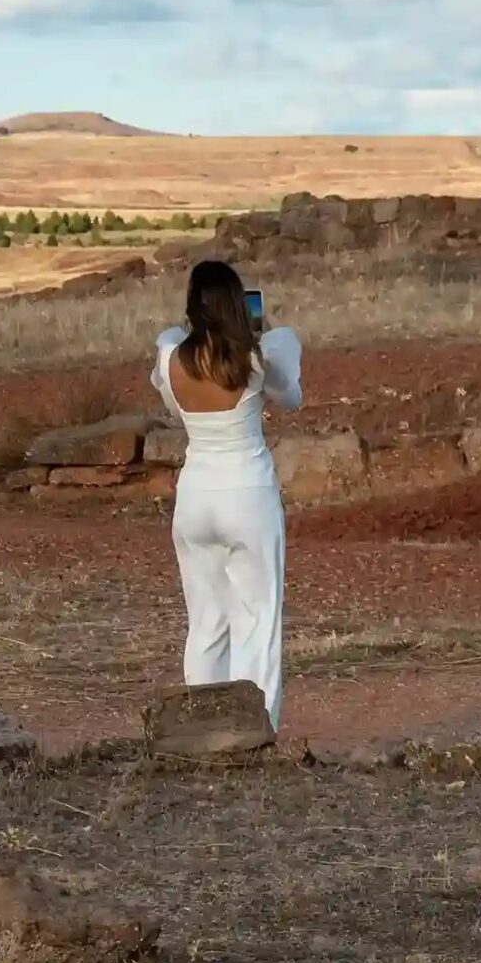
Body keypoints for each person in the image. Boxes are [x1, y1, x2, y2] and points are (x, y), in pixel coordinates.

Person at [150, 259, 302, 728]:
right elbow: (292, 396)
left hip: (195, 498)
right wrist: (261, 329)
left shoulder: (171, 356)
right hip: (248, 497)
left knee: (208, 623)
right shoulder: (256, 359)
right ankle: (256, 732)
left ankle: (201, 729)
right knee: (258, 620)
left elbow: (170, 389)